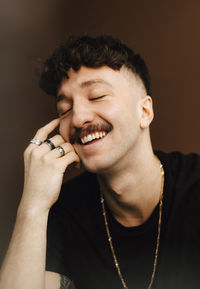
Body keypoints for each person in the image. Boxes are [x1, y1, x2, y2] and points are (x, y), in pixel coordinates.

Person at [0, 35, 200, 289]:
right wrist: (33, 205)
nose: (79, 117)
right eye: (64, 109)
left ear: (145, 112)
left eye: (96, 96)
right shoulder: (63, 211)